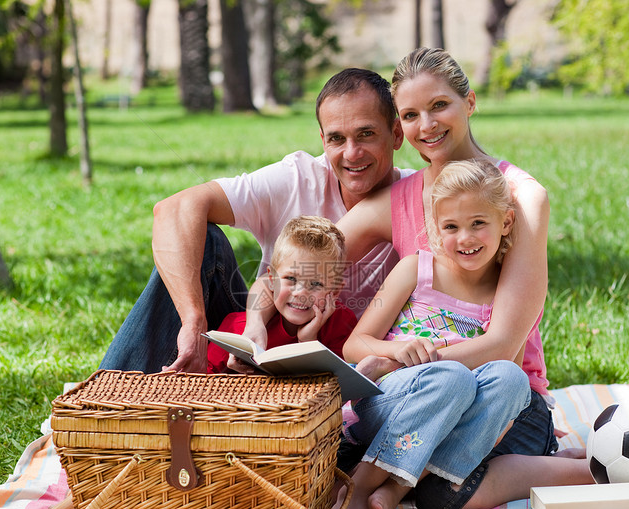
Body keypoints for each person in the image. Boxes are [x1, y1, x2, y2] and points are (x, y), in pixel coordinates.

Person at [331, 47, 596, 509]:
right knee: (440, 481)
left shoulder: (523, 198)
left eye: (439, 106)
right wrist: (262, 315)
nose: (426, 125)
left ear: (469, 102)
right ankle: (534, 471)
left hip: (501, 402)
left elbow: (504, 345)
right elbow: (314, 262)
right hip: (413, 394)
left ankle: (551, 469)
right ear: (399, 127)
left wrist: (403, 364)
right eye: (410, 115)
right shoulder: (399, 199)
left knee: (445, 484)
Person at [98, 68, 410, 375]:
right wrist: (194, 321)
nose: (351, 153)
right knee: (202, 239)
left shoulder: (421, 198)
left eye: (366, 134)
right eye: (336, 139)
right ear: (322, 139)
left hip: (343, 354)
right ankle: (100, 405)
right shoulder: (298, 178)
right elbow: (174, 209)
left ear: (396, 134)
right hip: (262, 334)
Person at [337, 159, 538, 509]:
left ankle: (394, 489)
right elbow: (354, 345)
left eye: (479, 223)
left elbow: (506, 388)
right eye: (451, 227)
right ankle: (358, 490)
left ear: (506, 223)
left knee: (511, 380)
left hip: (450, 413)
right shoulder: (416, 270)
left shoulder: (504, 294)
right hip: (388, 402)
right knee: (450, 376)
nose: (465, 238)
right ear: (435, 227)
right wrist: (398, 351)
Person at [207, 216, 356, 373]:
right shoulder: (238, 329)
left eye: (316, 284)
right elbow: (199, 382)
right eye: (290, 278)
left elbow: (338, 387)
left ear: (335, 291)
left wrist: (308, 342)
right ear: (271, 279)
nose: (300, 293)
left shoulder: (341, 324)